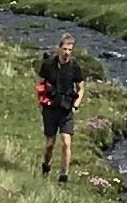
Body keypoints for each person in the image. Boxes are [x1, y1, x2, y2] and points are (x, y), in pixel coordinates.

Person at [35, 33, 90, 184]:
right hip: (50, 108)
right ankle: (46, 166)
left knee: (66, 142)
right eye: (64, 49)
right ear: (59, 48)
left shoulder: (75, 67)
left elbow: (81, 88)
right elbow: (40, 85)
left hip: (66, 109)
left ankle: (63, 176)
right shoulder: (48, 64)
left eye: (70, 50)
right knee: (50, 144)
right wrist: (40, 101)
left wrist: (76, 105)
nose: (67, 52)